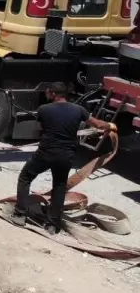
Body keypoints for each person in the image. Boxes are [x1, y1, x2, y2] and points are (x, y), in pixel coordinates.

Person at [10, 82, 116, 231]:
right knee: (59, 187)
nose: (46, 95)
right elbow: (98, 124)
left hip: (45, 153)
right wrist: (110, 126)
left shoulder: (44, 109)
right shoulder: (79, 110)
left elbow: (42, 129)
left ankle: (20, 214)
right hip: (66, 155)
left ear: (53, 94)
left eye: (47, 93)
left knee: (25, 177)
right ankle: (52, 225)